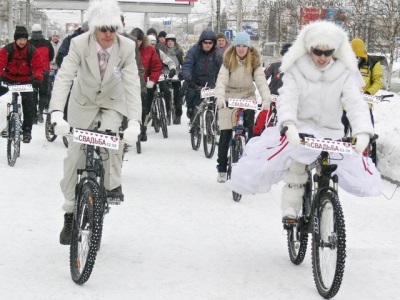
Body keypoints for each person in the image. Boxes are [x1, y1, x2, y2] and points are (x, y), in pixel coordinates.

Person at [226, 20, 382, 221]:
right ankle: (291, 208)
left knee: (329, 167)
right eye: (318, 52)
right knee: (298, 164)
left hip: (331, 131)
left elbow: (355, 103)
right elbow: (287, 98)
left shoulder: (344, 72)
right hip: (302, 129)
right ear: (309, 49)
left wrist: (362, 131)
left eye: (328, 53)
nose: (323, 58)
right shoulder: (296, 70)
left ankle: (326, 210)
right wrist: (289, 124)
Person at [49, 0, 142, 245]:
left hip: (112, 101)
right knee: (75, 155)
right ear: (94, 29)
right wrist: (57, 112)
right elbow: (64, 77)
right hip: (82, 102)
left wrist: (134, 123)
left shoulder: (127, 47)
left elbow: (132, 85)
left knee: (113, 141)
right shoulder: (79, 44)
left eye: (113, 28)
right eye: (104, 29)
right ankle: (70, 212)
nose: (109, 34)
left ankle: (112, 185)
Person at [215, 32, 271, 183]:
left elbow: (261, 82)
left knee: (250, 129)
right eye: (238, 46)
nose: (241, 49)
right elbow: (221, 80)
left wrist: (266, 99)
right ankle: (221, 168)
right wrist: (220, 97)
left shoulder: (254, 61)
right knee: (226, 133)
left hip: (247, 96)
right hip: (229, 96)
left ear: (248, 47)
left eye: (244, 46)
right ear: (234, 47)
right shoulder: (227, 60)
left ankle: (250, 164)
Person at [0, 25, 45, 143]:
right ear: (15, 39)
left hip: (26, 81)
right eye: (20, 39)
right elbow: (0, 63)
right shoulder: (7, 50)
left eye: (24, 39)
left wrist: (38, 78)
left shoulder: (31, 51)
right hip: (8, 79)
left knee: (29, 103)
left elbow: (38, 66)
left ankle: (26, 130)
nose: (22, 42)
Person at [349, 37, 384, 165]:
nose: (357, 58)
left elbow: (378, 81)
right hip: (343, 106)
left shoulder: (373, 62)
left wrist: (369, 92)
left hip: (364, 105)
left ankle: (370, 161)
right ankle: (344, 160)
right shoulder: (343, 62)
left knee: (367, 133)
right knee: (339, 134)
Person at [182, 30, 223, 120]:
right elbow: (187, 64)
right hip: (195, 82)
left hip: (211, 83)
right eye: (205, 42)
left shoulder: (218, 53)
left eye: (210, 43)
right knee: (192, 102)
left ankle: (213, 124)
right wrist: (188, 78)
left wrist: (223, 81)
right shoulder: (194, 51)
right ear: (201, 42)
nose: (208, 45)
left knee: (214, 106)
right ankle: (192, 116)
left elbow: (224, 67)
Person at [130, 27, 163, 142]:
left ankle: (143, 127)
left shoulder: (149, 50)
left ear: (141, 40)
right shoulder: (126, 49)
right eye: (134, 42)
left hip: (143, 83)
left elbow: (157, 66)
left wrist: (152, 80)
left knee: (144, 106)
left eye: (138, 41)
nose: (136, 44)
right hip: (128, 83)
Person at [253, 43, 292, 136]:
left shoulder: (296, 68)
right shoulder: (275, 65)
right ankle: (255, 133)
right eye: (286, 54)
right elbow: (262, 77)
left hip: (286, 98)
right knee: (265, 113)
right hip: (272, 95)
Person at [148, 34, 177, 125]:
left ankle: (167, 112)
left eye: (154, 44)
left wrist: (172, 69)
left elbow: (169, 61)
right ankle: (148, 114)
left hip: (159, 77)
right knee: (147, 96)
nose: (152, 45)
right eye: (150, 43)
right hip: (148, 79)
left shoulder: (159, 52)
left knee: (167, 92)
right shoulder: (143, 52)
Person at [29, 24, 54, 123]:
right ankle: (40, 111)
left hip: (32, 72)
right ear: (41, 32)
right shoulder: (47, 43)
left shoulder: (28, 43)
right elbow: (51, 57)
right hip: (45, 71)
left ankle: (34, 114)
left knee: (33, 93)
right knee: (44, 93)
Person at [160, 33, 184, 124]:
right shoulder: (162, 51)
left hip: (176, 75)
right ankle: (167, 111)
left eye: (172, 41)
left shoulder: (178, 52)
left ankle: (178, 114)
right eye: (168, 41)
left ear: (174, 42)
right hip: (165, 75)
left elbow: (183, 63)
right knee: (165, 93)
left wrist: (182, 72)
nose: (170, 43)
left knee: (178, 95)